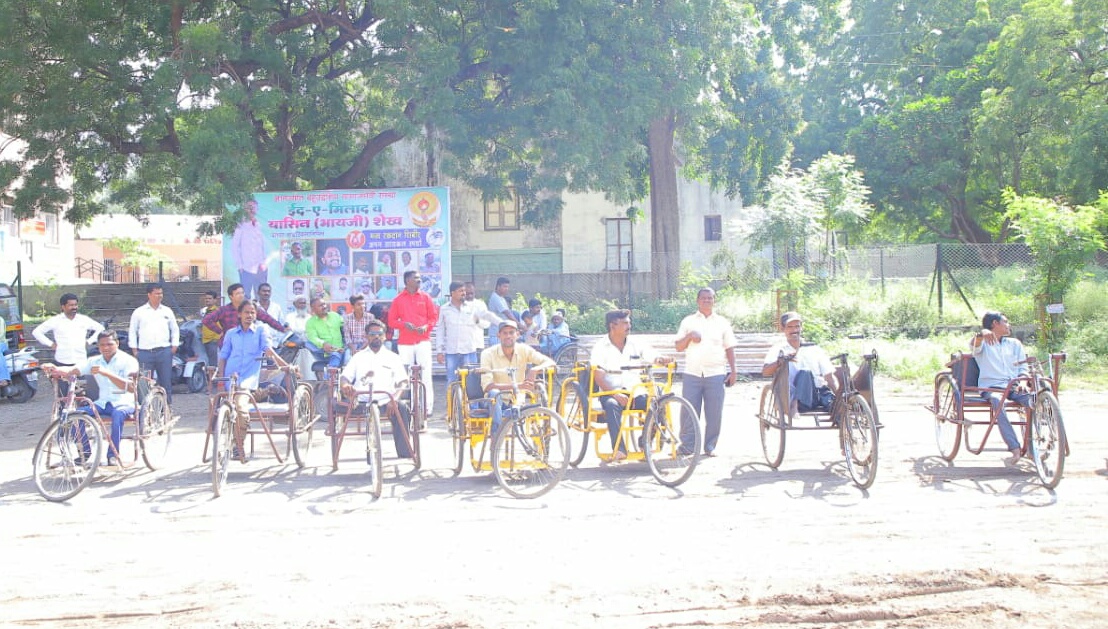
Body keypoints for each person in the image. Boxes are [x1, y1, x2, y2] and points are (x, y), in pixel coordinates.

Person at [43, 331, 140, 468]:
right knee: (75, 415)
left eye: (109, 344)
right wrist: (55, 368)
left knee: (118, 415)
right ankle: (84, 453)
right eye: (102, 345)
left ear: (117, 344)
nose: (106, 348)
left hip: (124, 402)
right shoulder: (95, 361)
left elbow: (131, 387)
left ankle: (113, 455)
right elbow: (73, 370)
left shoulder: (128, 361)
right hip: (102, 403)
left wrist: (106, 373)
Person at [590, 309, 670, 459]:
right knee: (612, 405)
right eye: (625, 323)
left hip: (636, 391)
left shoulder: (635, 343)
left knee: (657, 403)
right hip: (611, 392)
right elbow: (598, 377)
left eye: (629, 322)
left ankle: (645, 441)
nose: (629, 325)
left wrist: (660, 359)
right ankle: (619, 449)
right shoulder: (600, 347)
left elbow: (651, 355)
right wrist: (614, 393)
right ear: (612, 326)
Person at [216, 301, 288, 461]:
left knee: (241, 409)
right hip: (230, 378)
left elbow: (269, 351)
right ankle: (265, 392)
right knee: (227, 404)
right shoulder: (231, 334)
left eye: (252, 313)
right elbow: (223, 357)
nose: (249, 316)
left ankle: (237, 446)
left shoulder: (261, 331)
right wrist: (221, 378)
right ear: (239, 315)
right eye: (246, 312)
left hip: (247, 379)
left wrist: (286, 367)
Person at [674, 288, 737, 457]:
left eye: (710, 298)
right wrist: (689, 337)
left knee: (714, 412)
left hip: (716, 373)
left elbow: (729, 347)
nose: (707, 301)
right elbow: (678, 346)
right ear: (697, 301)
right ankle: (687, 446)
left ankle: (710, 446)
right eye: (703, 298)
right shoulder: (688, 321)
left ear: (714, 301)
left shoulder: (722, 322)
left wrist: (733, 371)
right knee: (688, 411)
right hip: (692, 373)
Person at [340, 320, 413, 459]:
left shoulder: (393, 357)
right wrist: (345, 385)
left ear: (384, 336)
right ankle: (372, 456)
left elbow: (403, 382)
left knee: (402, 408)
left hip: (387, 401)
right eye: (372, 334)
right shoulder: (358, 357)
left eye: (380, 334)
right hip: (362, 401)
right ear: (366, 336)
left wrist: (394, 399)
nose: (376, 337)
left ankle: (405, 453)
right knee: (367, 412)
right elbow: (345, 377)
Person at [971, 310, 1032, 466]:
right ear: (995, 324)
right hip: (992, 388)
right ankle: (1015, 448)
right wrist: (982, 333)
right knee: (998, 403)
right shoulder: (982, 342)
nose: (1008, 324)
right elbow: (975, 345)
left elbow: (1023, 367)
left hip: (1015, 385)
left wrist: (1024, 382)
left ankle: (1033, 446)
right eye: (1005, 321)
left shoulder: (1015, 344)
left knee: (1034, 400)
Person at [479, 320, 556, 435]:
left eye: (511, 332)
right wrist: (519, 386)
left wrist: (534, 370)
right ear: (498, 335)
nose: (508, 336)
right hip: (494, 400)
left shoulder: (524, 349)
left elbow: (550, 362)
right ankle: (497, 435)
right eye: (504, 333)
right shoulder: (487, 354)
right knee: (494, 393)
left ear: (517, 334)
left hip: (517, 399)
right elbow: (488, 387)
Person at [762, 311, 837, 418]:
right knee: (805, 372)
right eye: (790, 327)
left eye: (797, 326)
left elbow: (829, 376)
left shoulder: (814, 349)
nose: (794, 330)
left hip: (816, 396)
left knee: (837, 408)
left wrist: (839, 397)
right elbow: (765, 372)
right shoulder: (778, 349)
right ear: (783, 329)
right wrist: (779, 362)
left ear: (801, 328)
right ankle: (795, 404)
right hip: (792, 398)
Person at [388, 270, 439, 414]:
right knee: (406, 375)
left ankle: (427, 409)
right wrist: (404, 324)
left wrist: (426, 326)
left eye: (419, 278)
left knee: (426, 374)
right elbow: (391, 321)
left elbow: (433, 317)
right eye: (416, 278)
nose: (419, 280)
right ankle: (410, 407)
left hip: (423, 340)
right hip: (405, 342)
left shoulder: (426, 297)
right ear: (407, 281)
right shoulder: (398, 299)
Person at [436, 281, 495, 386]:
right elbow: (440, 330)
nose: (464, 293)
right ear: (452, 293)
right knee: (451, 381)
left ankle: (473, 403)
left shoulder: (472, 307)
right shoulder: (444, 309)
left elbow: (486, 324)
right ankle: (453, 402)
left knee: (471, 382)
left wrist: (478, 321)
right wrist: (439, 351)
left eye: (464, 291)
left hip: (469, 350)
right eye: (460, 291)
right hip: (452, 351)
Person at [128, 284, 180, 404]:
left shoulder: (167, 311)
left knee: (166, 382)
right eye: (156, 293)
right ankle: (145, 412)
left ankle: (166, 410)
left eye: (161, 293)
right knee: (144, 384)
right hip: (145, 352)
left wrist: (174, 346)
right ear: (149, 295)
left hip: (164, 351)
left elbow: (175, 329)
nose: (159, 296)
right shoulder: (139, 312)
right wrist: (135, 350)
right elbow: (132, 331)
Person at [203, 283, 287, 349]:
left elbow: (268, 319)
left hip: (248, 344)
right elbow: (206, 320)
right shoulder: (224, 310)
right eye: (238, 293)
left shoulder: (250, 307)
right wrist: (220, 331)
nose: (241, 295)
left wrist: (282, 329)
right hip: (230, 345)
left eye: (242, 293)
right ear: (231, 296)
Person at [32, 293, 104, 369]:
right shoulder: (56, 320)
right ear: (63, 307)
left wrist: (89, 341)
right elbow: (36, 332)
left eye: (75, 305)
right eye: (71, 305)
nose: (74, 307)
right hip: (62, 361)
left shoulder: (83, 319)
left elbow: (100, 328)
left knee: (82, 381)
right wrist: (51, 344)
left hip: (81, 361)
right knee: (62, 380)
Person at [232, 199, 268, 299]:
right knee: (245, 296)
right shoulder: (240, 225)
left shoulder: (258, 225)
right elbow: (235, 246)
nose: (251, 210)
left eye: (253, 207)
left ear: (257, 209)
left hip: (260, 267)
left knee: (261, 296)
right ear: (244, 209)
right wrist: (239, 266)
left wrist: (264, 263)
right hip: (246, 268)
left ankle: (260, 314)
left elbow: (262, 246)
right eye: (249, 207)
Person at [305, 297, 345, 371]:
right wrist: (323, 344)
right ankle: (331, 378)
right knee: (307, 343)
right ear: (313, 309)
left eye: (324, 304)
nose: (324, 307)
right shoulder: (310, 322)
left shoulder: (335, 316)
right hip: (324, 353)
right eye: (321, 305)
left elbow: (345, 327)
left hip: (341, 350)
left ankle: (331, 378)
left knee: (339, 355)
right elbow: (313, 338)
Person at [464, 281, 499, 350]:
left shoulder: (480, 304)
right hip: (462, 346)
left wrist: (478, 321)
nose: (470, 296)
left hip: (477, 344)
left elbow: (487, 324)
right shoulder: (458, 305)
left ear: (475, 292)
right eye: (467, 294)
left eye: (472, 293)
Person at [342, 294, 375, 361]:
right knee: (347, 360)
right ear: (353, 306)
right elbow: (347, 337)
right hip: (352, 346)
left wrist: (361, 349)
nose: (362, 306)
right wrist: (353, 349)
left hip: (367, 345)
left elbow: (372, 336)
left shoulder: (370, 317)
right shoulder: (347, 318)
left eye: (363, 304)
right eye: (359, 304)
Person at [487, 277, 517, 345]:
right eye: (504, 286)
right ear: (498, 286)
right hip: (496, 335)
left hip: (503, 334)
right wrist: (519, 325)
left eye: (507, 287)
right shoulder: (495, 298)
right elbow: (507, 313)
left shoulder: (501, 298)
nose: (506, 289)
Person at [198, 290, 221, 365]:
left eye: (210, 298)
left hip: (213, 340)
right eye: (206, 298)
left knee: (213, 363)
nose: (207, 300)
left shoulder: (217, 311)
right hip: (206, 340)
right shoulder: (206, 311)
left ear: (215, 300)